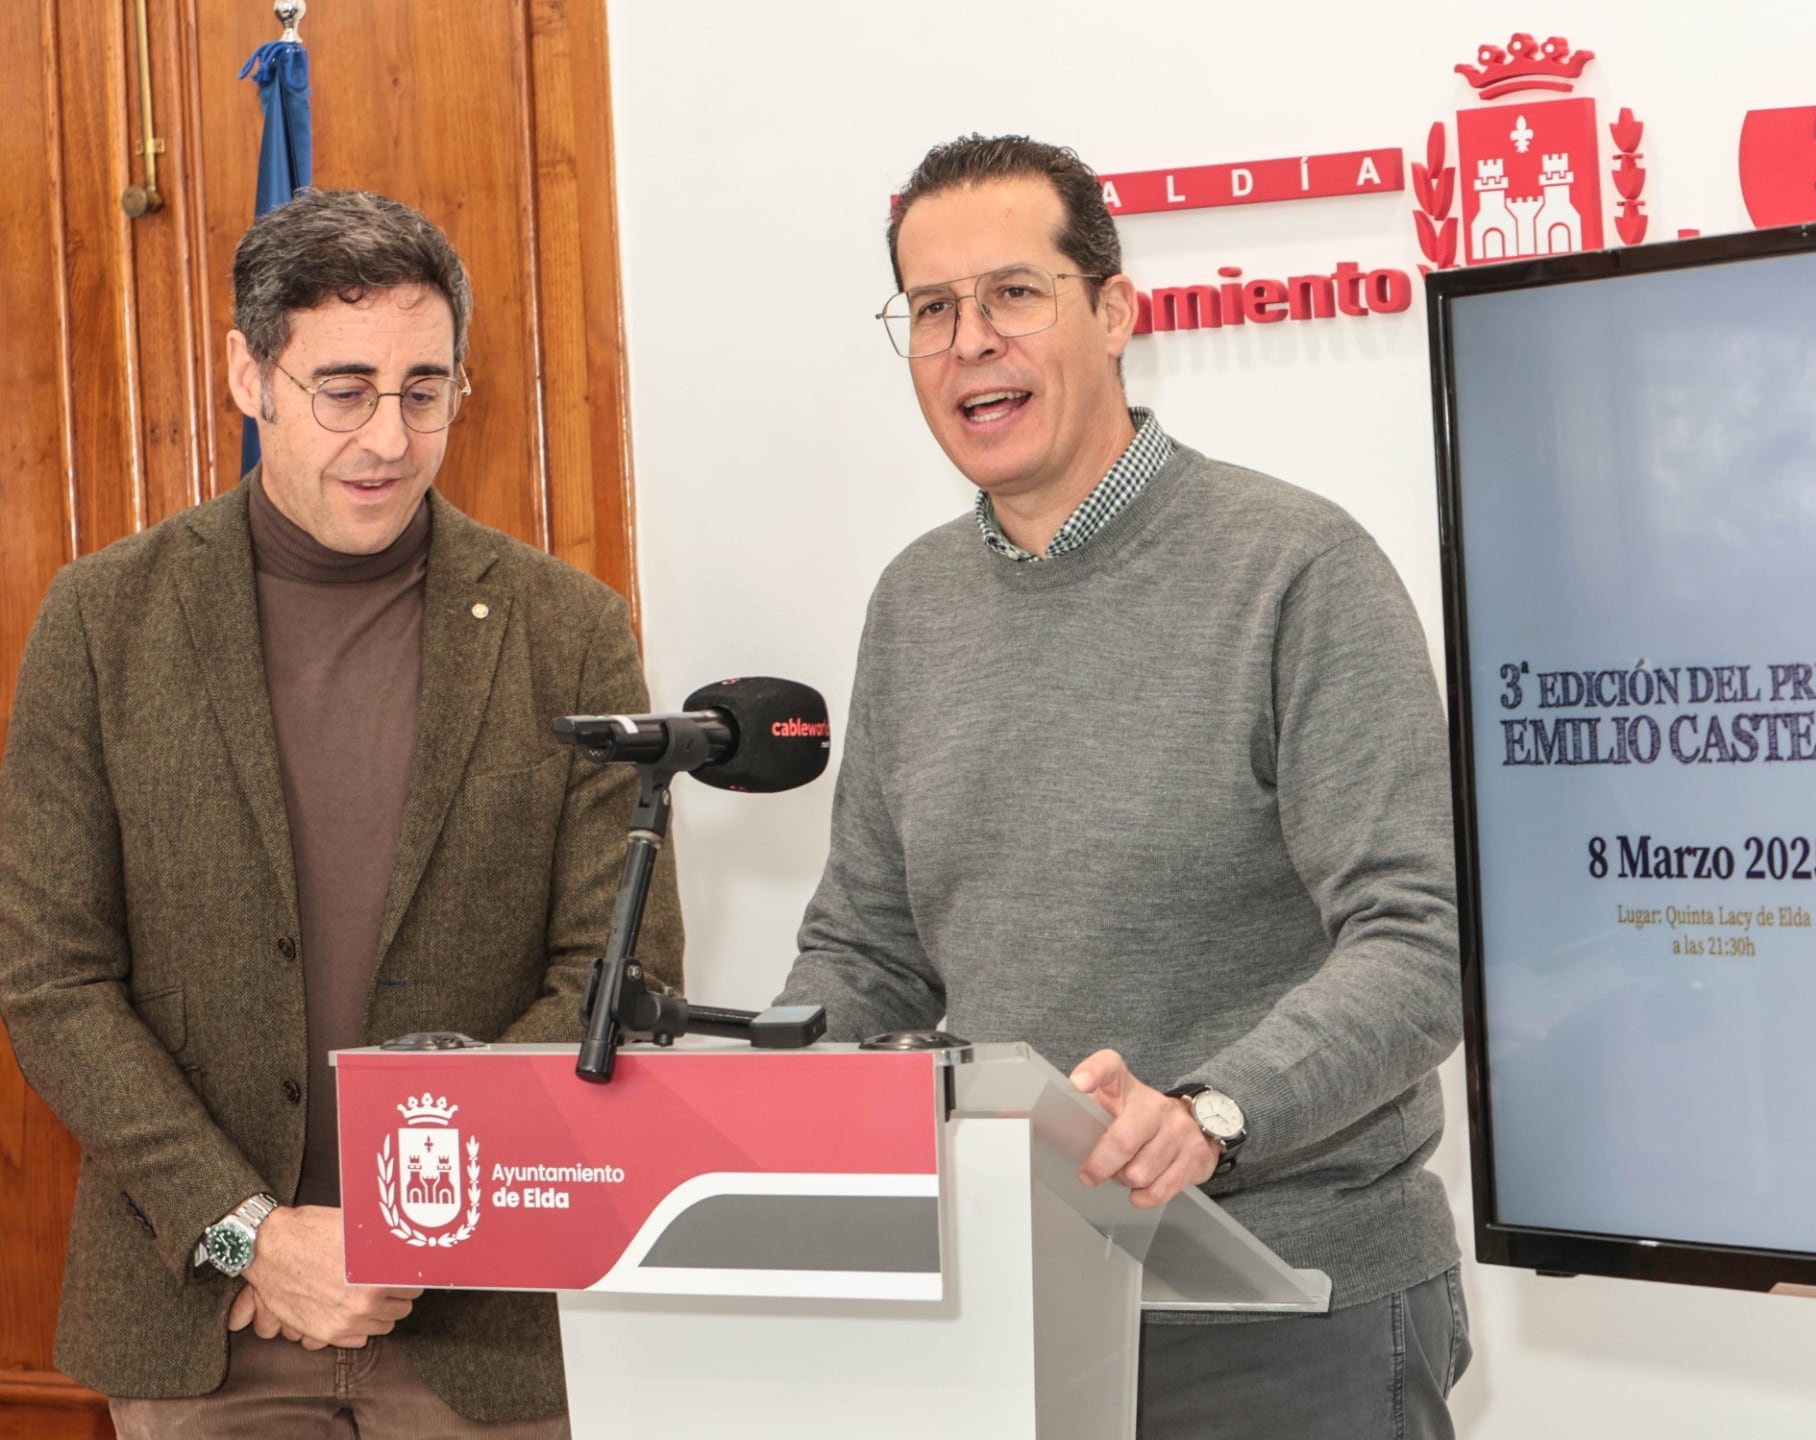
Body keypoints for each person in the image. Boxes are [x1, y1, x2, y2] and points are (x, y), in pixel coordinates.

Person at [777, 134, 1469, 1437]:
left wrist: (1215, 1111)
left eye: (1012, 294)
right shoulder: (915, 603)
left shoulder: (1298, 569)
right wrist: (760, 1098)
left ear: (1114, 311)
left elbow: (1419, 945)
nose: (969, 339)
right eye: (932, 309)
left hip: (1295, 1317)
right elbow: (867, 948)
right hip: (1011, 1309)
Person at [0, 189, 682, 1437]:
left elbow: (615, 971)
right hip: (201, 1327)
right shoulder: (104, 620)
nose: (388, 435)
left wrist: (408, 1219)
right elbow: (52, 980)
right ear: (247, 375)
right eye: (345, 387)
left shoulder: (566, 628)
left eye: (425, 389)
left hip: (486, 1324)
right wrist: (252, 1236)